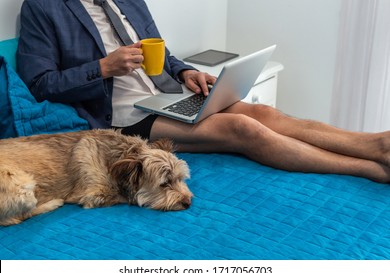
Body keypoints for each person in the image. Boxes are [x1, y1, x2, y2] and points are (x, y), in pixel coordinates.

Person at [17, 0, 390, 183]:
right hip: (125, 117)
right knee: (244, 129)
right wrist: (102, 68)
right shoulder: (42, 7)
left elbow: (163, 53)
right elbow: (38, 84)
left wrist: (186, 72)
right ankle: (370, 169)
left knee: (265, 114)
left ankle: (376, 143)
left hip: (165, 95)